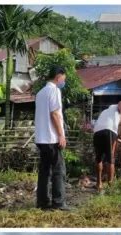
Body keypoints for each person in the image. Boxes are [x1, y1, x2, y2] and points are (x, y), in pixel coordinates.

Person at [34, 66, 70, 211]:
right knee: (58, 170)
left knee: (44, 171)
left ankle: (42, 202)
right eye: (64, 78)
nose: (63, 81)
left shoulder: (40, 92)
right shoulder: (54, 90)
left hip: (41, 139)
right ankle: (58, 203)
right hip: (52, 138)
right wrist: (61, 134)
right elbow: (54, 114)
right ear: (58, 76)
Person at [93, 100, 121, 192]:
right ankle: (111, 185)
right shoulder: (115, 107)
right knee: (110, 158)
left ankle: (98, 184)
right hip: (109, 131)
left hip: (97, 133)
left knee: (98, 158)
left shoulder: (105, 113)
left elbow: (115, 137)